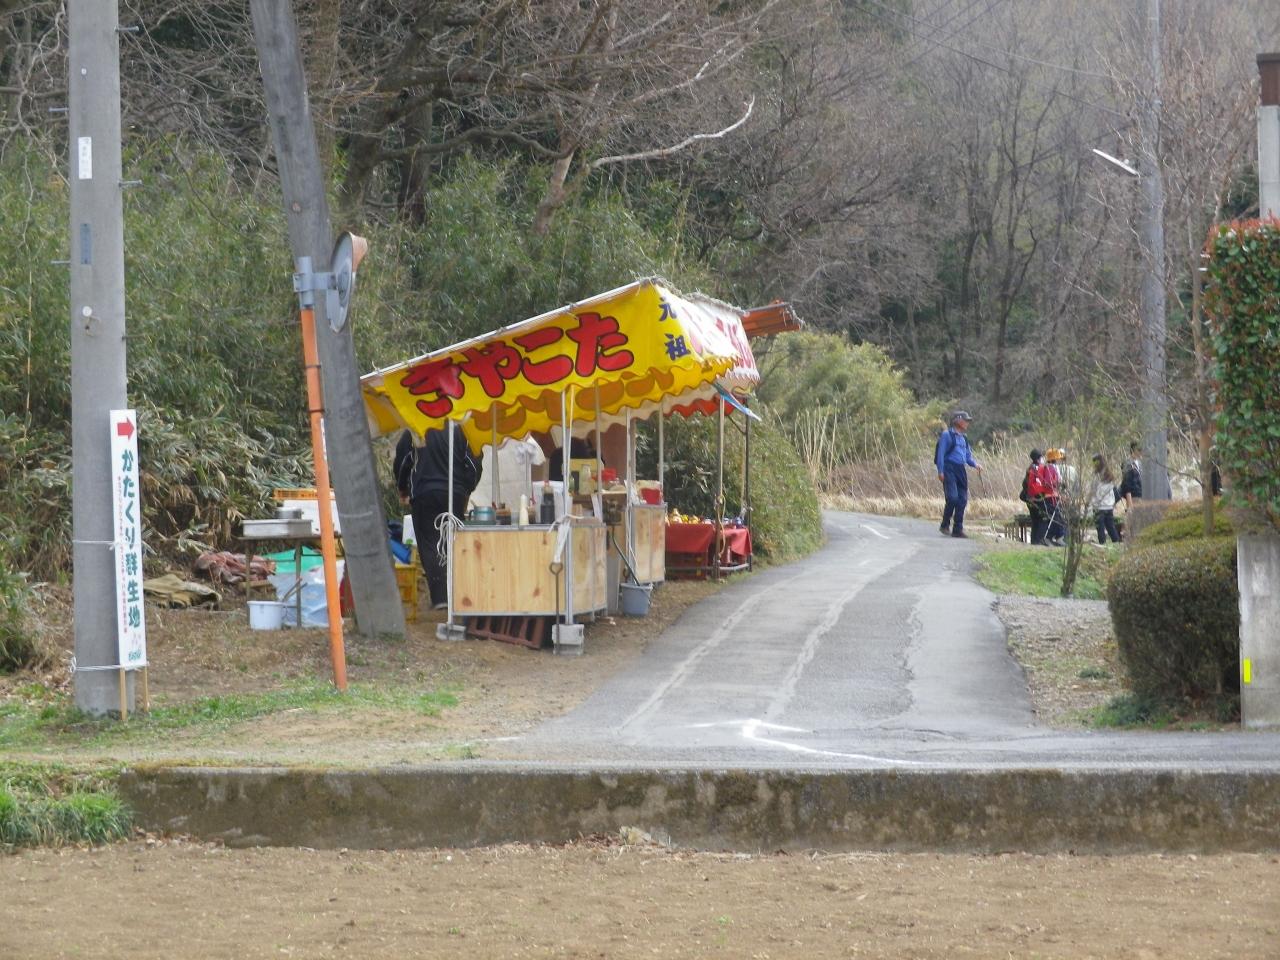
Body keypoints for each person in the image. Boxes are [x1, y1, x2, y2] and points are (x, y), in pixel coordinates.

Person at [394, 424, 482, 610]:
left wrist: (403, 487)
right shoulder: (462, 426)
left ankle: (441, 597)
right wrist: (467, 487)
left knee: (429, 543)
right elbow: (474, 462)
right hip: (455, 492)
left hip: (424, 492)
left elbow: (403, 458)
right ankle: (455, 594)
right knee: (452, 541)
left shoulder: (416, 424)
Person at [935, 411, 982, 539]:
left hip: (961, 469)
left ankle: (957, 529)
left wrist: (975, 464)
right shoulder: (947, 435)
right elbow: (940, 454)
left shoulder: (964, 438)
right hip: (949, 468)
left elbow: (967, 457)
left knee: (962, 500)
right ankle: (945, 524)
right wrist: (940, 471)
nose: (967, 423)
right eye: (966, 420)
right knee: (952, 498)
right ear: (958, 420)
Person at [1090, 453, 1120, 544]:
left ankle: (1102, 544)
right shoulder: (1109, 475)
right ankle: (1116, 542)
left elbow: (1093, 490)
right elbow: (1113, 490)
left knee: (1100, 528)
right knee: (1110, 527)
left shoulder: (1096, 476)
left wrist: (1090, 501)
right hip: (1109, 505)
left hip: (1099, 506)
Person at [1043, 448, 1067, 545]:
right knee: (1056, 518)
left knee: (1057, 518)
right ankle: (1053, 537)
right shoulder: (1050, 468)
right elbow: (1048, 483)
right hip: (1051, 496)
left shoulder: (1051, 467)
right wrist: (1059, 483)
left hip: (1055, 495)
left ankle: (1057, 537)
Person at [1118, 442, 1143, 512]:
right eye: (1139, 450)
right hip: (1132, 497)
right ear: (1132, 450)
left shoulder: (1140, 463)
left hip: (1140, 496)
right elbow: (1127, 485)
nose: (1141, 452)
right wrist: (1130, 503)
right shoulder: (1127, 463)